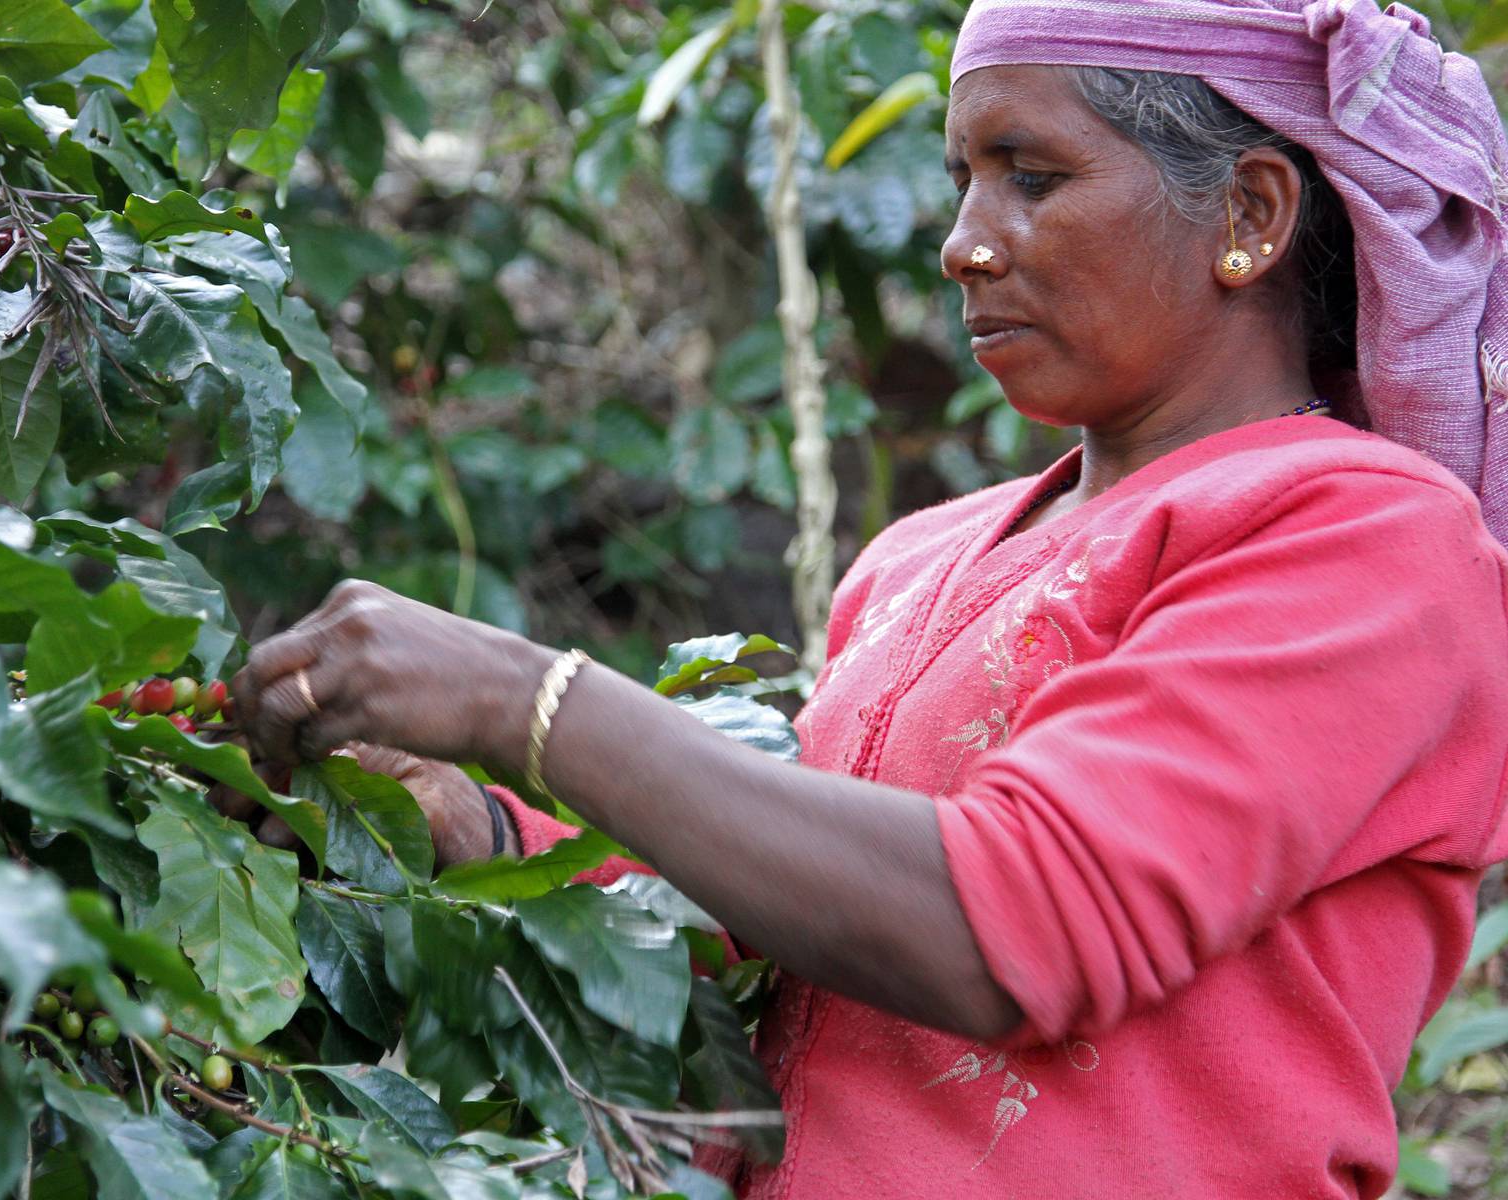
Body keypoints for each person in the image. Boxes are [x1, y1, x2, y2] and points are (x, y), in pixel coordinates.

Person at [226, 2, 1508, 1195]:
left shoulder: (1372, 541)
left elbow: (1017, 922)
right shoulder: (917, 557)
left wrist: (525, 698)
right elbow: (771, 947)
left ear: (1250, 210)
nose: (963, 244)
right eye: (961, 181)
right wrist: (462, 821)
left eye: (1034, 176)